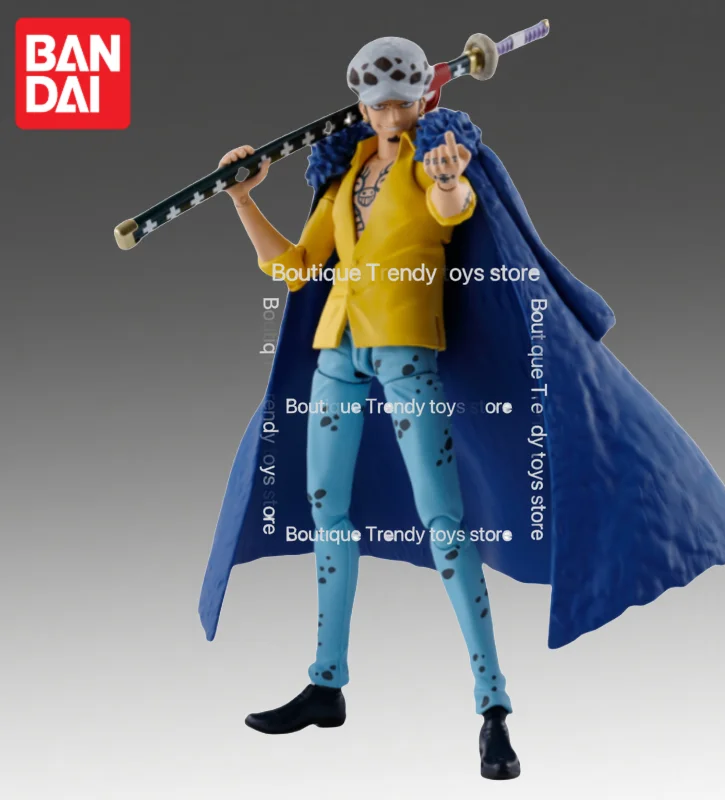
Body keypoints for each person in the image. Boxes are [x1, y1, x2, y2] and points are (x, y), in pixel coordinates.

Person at [217, 37, 519, 780]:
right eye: (378, 103)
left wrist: (448, 177)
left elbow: (453, 210)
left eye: (402, 102)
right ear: (360, 105)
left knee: (444, 521)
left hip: (406, 351)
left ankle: (493, 705)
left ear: (424, 99)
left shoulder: (433, 160)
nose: (389, 115)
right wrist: (243, 199)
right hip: (339, 352)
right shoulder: (346, 171)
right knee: (328, 512)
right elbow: (295, 267)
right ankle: (326, 683)